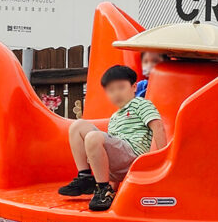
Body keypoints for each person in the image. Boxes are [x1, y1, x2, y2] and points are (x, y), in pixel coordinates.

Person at [57, 65, 166, 211]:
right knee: (77, 126)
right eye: (111, 91)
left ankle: (103, 191)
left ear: (134, 87)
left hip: (134, 156)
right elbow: (114, 154)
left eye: (121, 88)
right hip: (118, 162)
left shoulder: (141, 104)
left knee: (93, 137)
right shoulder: (115, 116)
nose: (116, 94)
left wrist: (163, 161)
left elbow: (158, 127)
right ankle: (86, 177)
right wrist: (114, 187)